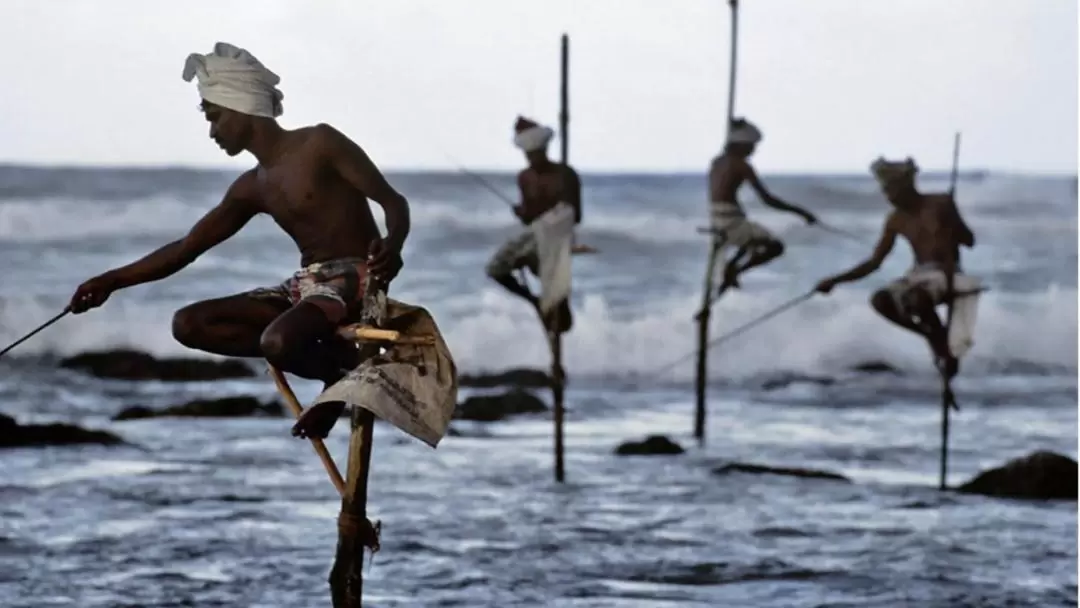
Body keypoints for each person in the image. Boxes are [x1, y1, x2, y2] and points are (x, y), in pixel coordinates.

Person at [66, 42, 410, 439]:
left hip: (356, 279)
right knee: (191, 324)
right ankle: (338, 365)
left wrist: (394, 244)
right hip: (307, 287)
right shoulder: (251, 187)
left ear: (241, 106)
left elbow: (392, 201)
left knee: (278, 341)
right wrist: (111, 280)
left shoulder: (320, 144)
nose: (213, 132)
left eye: (215, 118)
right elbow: (184, 249)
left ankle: (336, 383)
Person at [814, 157, 977, 378]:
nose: (889, 197)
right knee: (880, 300)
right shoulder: (895, 219)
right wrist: (834, 280)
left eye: (892, 191)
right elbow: (874, 263)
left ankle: (942, 348)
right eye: (885, 192)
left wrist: (952, 224)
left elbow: (969, 240)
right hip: (919, 274)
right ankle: (933, 337)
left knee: (917, 299)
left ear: (908, 187)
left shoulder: (941, 203)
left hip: (948, 272)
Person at [484, 116, 581, 333]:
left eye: (535, 153)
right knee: (495, 268)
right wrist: (524, 213)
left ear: (544, 150)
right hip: (534, 235)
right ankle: (534, 300)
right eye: (528, 154)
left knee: (554, 288)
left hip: (557, 235)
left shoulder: (565, 175)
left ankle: (555, 309)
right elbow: (530, 217)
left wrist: (543, 216)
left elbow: (575, 214)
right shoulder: (525, 177)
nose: (531, 158)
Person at [707, 117, 818, 295]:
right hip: (731, 220)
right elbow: (767, 199)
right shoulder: (742, 166)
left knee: (753, 241)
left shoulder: (717, 161)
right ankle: (735, 269)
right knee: (775, 247)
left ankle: (732, 266)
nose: (754, 150)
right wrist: (800, 212)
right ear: (741, 144)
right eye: (751, 145)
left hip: (717, 217)